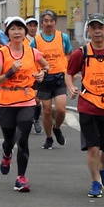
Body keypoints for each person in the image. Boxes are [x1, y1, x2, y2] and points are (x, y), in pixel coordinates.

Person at [65, 14, 104, 198]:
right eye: (93, 27)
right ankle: (95, 182)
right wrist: (70, 87)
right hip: (88, 105)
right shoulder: (81, 53)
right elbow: (69, 73)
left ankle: (103, 168)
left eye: (100, 27)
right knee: (93, 147)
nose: (97, 31)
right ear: (89, 31)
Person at [0, 15, 50, 192]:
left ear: (25, 32)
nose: (17, 32)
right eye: (13, 29)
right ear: (7, 32)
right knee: (10, 140)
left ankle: (21, 178)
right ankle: (7, 153)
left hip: (27, 100)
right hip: (6, 101)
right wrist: (10, 72)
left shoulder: (32, 52)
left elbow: (46, 66)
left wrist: (42, 74)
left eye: (20, 28)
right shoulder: (1, 53)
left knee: (23, 139)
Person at [31, 9, 73, 149]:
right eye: (46, 21)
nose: (49, 24)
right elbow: (31, 59)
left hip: (60, 77)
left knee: (61, 110)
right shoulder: (36, 41)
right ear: (42, 24)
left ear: (55, 22)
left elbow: (69, 53)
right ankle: (49, 137)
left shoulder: (63, 37)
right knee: (47, 110)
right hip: (44, 78)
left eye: (51, 21)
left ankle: (57, 127)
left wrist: (66, 66)